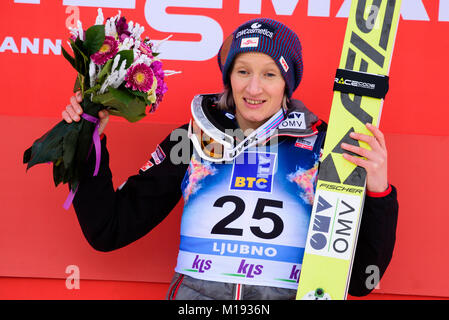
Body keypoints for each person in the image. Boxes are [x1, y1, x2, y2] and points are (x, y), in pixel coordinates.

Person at [62, 18, 398, 300]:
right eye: (242, 71)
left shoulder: (320, 146)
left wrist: (379, 192)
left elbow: (360, 279)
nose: (254, 89)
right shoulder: (192, 138)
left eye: (269, 74)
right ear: (228, 76)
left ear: (287, 83)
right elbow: (108, 229)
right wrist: (85, 137)